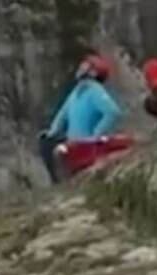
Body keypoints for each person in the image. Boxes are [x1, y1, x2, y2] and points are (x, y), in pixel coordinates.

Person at [38, 54, 123, 183]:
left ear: (94, 73)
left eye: (86, 65)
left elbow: (113, 112)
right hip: (73, 141)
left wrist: (97, 134)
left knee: (59, 153)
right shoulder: (76, 91)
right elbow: (63, 114)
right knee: (45, 142)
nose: (81, 67)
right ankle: (60, 181)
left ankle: (64, 182)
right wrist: (52, 132)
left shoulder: (95, 90)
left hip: (85, 144)